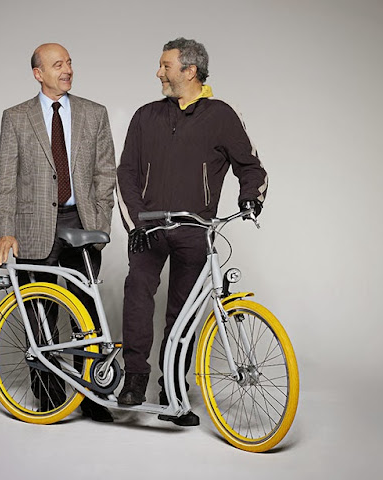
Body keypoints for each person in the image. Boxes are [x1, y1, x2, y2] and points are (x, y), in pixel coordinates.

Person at [116, 38, 268, 426]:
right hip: (149, 228)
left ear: (190, 71)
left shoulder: (221, 115)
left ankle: (173, 388)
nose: (158, 73)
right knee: (137, 295)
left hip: (195, 230)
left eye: (165, 66)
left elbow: (251, 167)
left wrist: (250, 198)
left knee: (183, 313)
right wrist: (136, 222)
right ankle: (134, 379)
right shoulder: (145, 116)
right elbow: (126, 173)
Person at [0, 43, 116, 422]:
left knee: (87, 313)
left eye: (69, 63)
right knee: (40, 314)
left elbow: (106, 173)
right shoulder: (16, 118)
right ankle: (49, 398)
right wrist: (5, 232)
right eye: (58, 64)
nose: (67, 70)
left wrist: (100, 223)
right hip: (34, 226)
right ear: (38, 73)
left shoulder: (95, 114)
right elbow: (5, 182)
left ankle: (93, 395)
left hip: (82, 223)